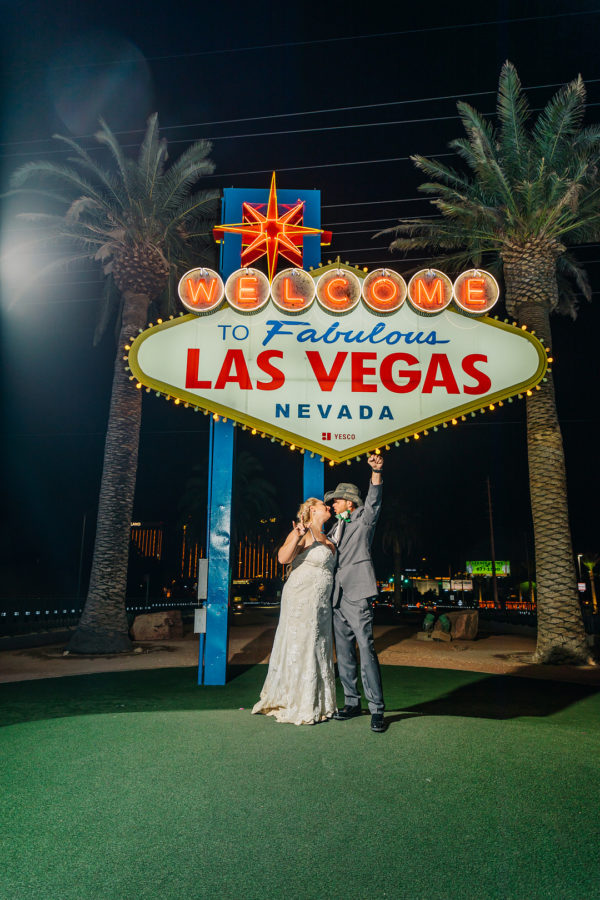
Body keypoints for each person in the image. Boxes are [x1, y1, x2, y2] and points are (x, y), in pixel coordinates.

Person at [252, 498, 337, 725]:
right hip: (301, 596)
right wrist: (298, 534)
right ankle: (298, 700)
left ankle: (320, 702)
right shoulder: (303, 532)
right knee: (302, 643)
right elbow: (283, 558)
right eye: (323, 504)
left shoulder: (327, 537)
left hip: (321, 603)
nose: (328, 506)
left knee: (318, 644)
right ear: (311, 509)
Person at [324, 454, 387, 733]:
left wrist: (376, 473)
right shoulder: (334, 526)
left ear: (350, 502)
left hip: (358, 594)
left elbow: (374, 502)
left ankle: (377, 710)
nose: (332, 503)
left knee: (367, 650)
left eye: (336, 500)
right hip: (336, 597)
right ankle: (351, 702)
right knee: (345, 654)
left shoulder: (363, 518)